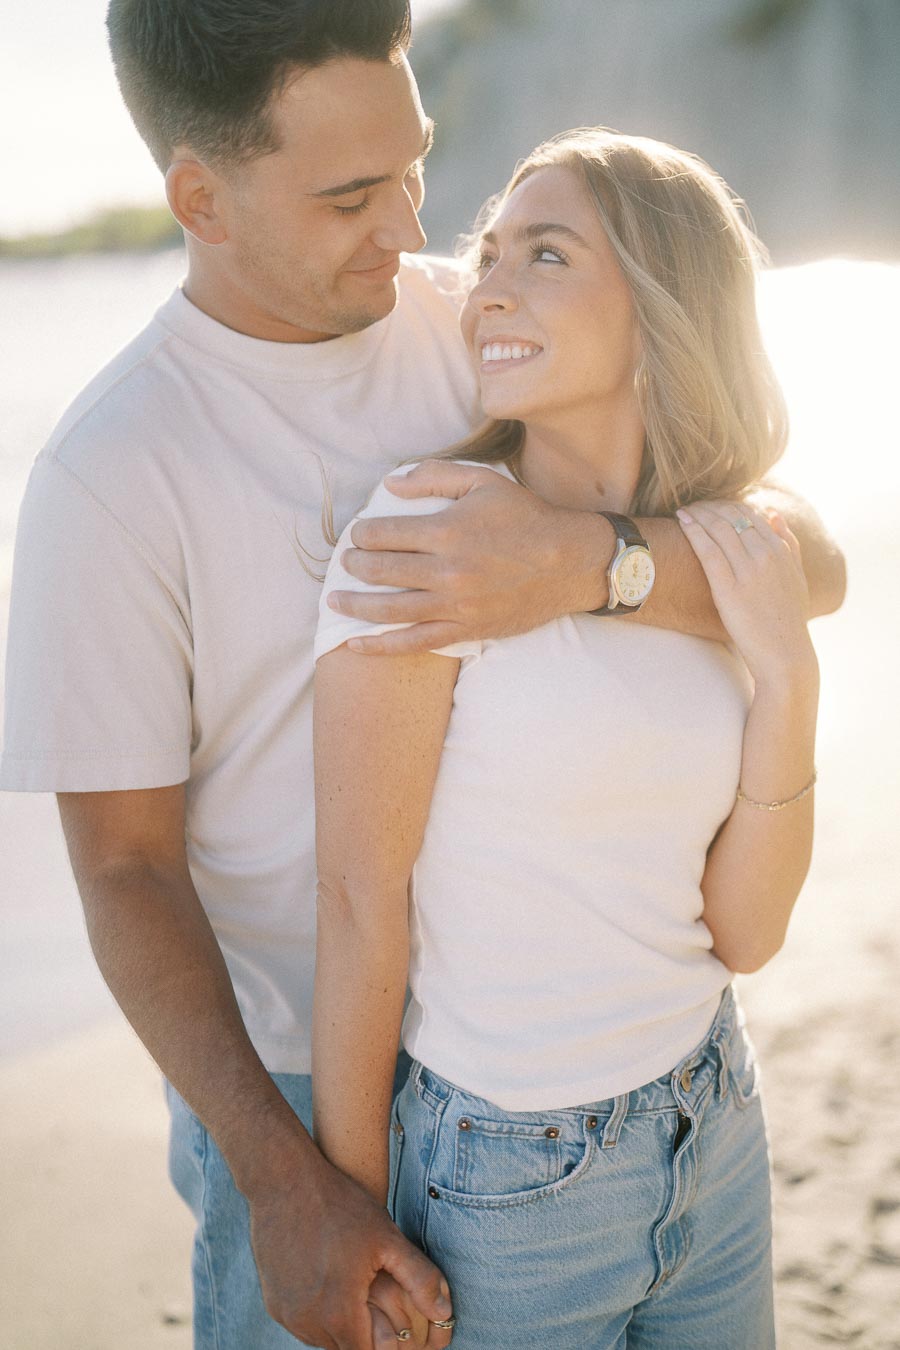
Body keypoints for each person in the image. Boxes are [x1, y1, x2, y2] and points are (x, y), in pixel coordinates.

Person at [0, 0, 843, 1344]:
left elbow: (807, 556)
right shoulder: (110, 473)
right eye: (350, 198)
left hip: (533, 1045)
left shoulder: (475, 320)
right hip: (283, 1071)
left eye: (415, 168)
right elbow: (122, 872)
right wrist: (288, 1179)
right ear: (201, 199)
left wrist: (591, 563)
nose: (408, 230)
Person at [312, 128, 823, 1348]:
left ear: (663, 300)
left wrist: (788, 677)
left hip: (713, 1111)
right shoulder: (428, 530)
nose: (487, 285)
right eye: (490, 254)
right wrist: (346, 1208)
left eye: (545, 254)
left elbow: (745, 934)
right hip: (506, 1178)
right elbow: (357, 896)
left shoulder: (723, 549)